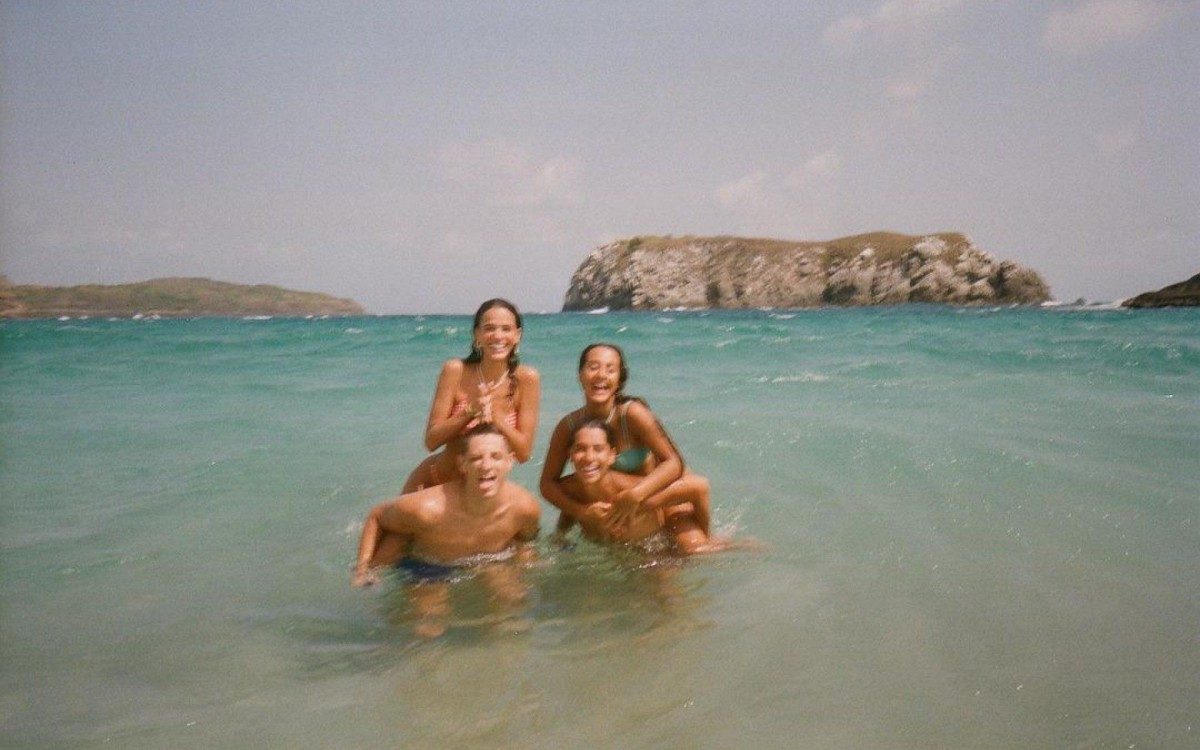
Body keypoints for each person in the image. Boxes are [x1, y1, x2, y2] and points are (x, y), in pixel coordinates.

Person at [353, 424, 541, 638]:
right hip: (428, 565)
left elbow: (526, 540)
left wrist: (527, 561)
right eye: (476, 458)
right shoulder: (428, 509)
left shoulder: (525, 508)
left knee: (514, 604)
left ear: (510, 461)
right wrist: (363, 568)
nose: (486, 465)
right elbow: (377, 515)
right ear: (462, 464)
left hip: (489, 560)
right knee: (431, 626)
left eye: (496, 456)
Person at [539, 342, 711, 539]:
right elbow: (548, 484)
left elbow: (674, 463)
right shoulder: (568, 426)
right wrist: (582, 512)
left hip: (659, 496)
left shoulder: (633, 414)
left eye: (610, 369)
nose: (601, 375)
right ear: (580, 375)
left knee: (694, 549)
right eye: (593, 367)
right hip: (616, 506)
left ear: (619, 379)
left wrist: (636, 495)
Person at [403, 298, 540, 493]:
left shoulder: (527, 379)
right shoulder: (455, 370)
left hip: (484, 495)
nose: (498, 336)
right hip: (435, 484)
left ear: (517, 335)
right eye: (489, 328)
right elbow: (431, 441)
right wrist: (470, 411)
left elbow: (524, 453)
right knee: (381, 520)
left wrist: (497, 418)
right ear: (477, 334)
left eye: (506, 329)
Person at [560, 419, 726, 554]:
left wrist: (705, 534)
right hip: (626, 552)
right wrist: (562, 537)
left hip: (659, 548)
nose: (589, 457)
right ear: (570, 455)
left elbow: (699, 486)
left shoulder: (629, 489)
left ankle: (735, 546)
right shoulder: (568, 489)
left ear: (612, 456)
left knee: (693, 552)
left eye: (598, 449)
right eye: (580, 449)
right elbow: (567, 515)